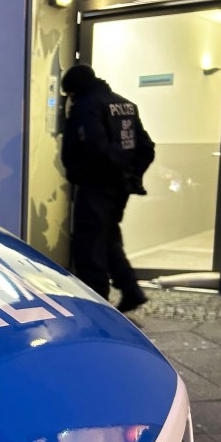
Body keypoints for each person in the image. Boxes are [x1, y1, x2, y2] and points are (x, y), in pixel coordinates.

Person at [60, 64, 155, 312]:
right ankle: (130, 289)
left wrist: (83, 173)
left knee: (89, 244)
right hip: (119, 186)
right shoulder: (125, 105)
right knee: (108, 237)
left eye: (69, 94)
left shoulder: (87, 107)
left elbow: (95, 148)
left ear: (75, 90)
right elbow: (146, 147)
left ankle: (97, 305)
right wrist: (131, 175)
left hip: (96, 185)